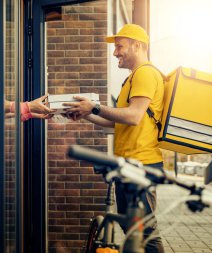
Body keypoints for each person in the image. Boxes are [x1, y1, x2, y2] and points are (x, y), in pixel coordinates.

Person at [63, 24, 165, 253]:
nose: (115, 52)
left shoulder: (146, 73)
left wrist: (95, 107)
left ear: (137, 46)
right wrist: (87, 113)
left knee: (146, 233)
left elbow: (134, 116)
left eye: (119, 46)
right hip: (128, 165)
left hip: (141, 165)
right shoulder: (132, 78)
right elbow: (117, 121)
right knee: (133, 232)